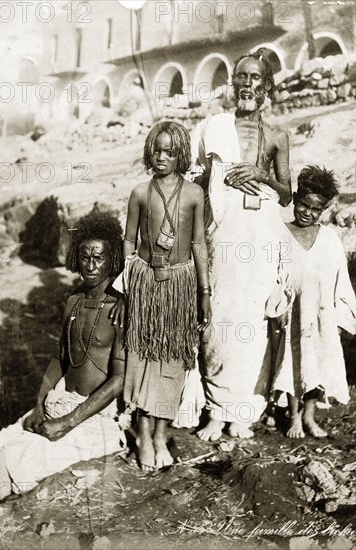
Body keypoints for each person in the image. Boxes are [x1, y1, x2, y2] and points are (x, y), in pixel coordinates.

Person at [0, 212, 126, 501]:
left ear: (113, 260)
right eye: (84, 257)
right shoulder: (73, 302)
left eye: (99, 258)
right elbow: (59, 358)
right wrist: (39, 403)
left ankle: (3, 518)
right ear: (75, 258)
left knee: (11, 459)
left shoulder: (120, 309)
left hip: (94, 417)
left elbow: (118, 379)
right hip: (59, 401)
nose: (90, 265)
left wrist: (67, 422)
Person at [192, 49, 291, 441]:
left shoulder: (278, 136)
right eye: (241, 77)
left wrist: (260, 175)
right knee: (219, 320)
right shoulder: (213, 127)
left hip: (260, 236)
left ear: (267, 87)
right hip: (224, 234)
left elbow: (287, 195)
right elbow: (196, 177)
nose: (247, 84)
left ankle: (244, 413)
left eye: (255, 78)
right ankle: (216, 410)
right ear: (233, 85)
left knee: (252, 320)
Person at [122, 120, 211, 471]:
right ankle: (143, 433)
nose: (161, 157)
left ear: (181, 156)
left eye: (170, 152)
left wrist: (204, 291)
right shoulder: (140, 193)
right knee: (142, 356)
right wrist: (128, 283)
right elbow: (129, 240)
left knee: (173, 358)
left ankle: (161, 434)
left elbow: (199, 243)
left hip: (181, 284)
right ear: (149, 151)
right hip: (145, 281)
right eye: (157, 150)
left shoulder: (193, 194)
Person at [262, 166, 356, 438]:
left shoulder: (329, 240)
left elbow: (341, 280)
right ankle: (292, 417)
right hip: (291, 314)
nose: (307, 212)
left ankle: (309, 416)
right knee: (292, 363)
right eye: (303, 205)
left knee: (317, 362)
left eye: (315, 209)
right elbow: (273, 275)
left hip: (321, 317)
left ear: (324, 210)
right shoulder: (280, 234)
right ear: (294, 198)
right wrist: (277, 307)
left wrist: (340, 318)